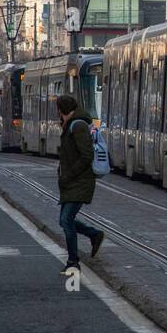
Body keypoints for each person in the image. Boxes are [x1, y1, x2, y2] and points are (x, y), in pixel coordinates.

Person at [55, 93, 104, 274]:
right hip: (72, 182)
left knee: (66, 221)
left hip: (79, 181)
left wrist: (69, 175)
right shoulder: (71, 124)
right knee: (64, 220)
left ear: (61, 110)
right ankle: (93, 234)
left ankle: (73, 261)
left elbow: (86, 156)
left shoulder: (78, 126)